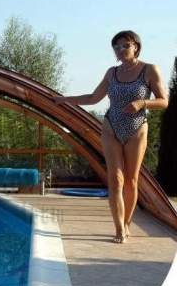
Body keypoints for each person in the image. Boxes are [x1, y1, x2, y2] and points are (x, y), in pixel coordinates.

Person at [53, 31, 169, 243]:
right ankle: (119, 229)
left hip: (137, 128)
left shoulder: (149, 70)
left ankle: (127, 223)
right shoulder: (112, 73)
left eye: (125, 45)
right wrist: (65, 99)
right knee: (115, 179)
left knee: (131, 181)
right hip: (111, 127)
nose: (120, 50)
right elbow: (93, 97)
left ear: (136, 47)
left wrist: (142, 103)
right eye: (116, 47)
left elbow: (163, 101)